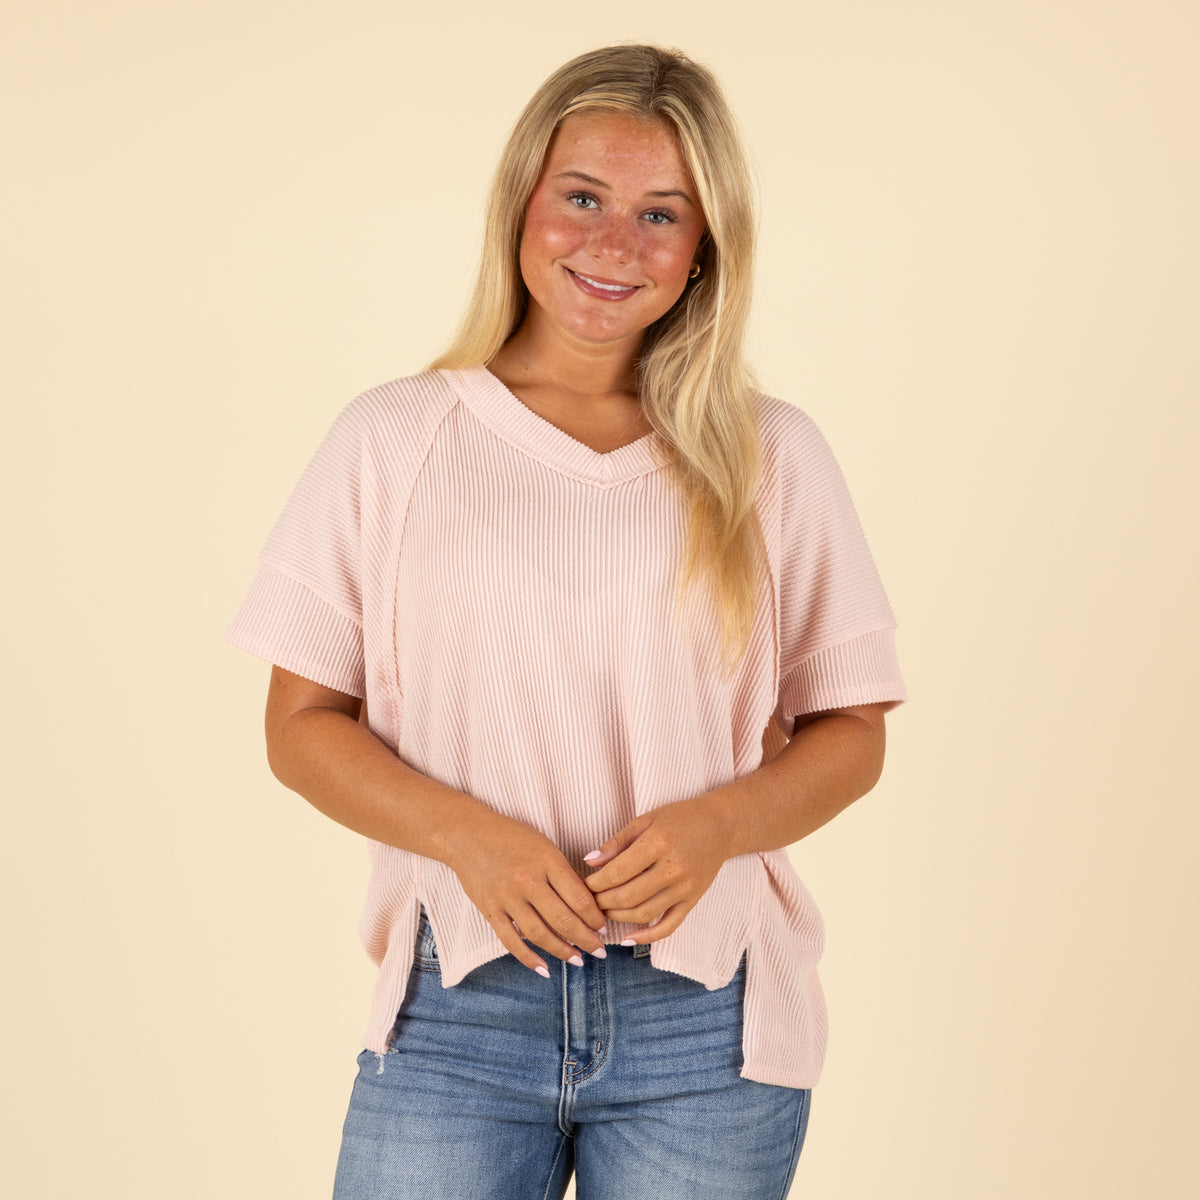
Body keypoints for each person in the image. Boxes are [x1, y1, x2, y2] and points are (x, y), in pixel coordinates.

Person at [228, 43, 906, 1200]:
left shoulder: (771, 457)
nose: (612, 243)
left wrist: (717, 827)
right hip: (459, 1004)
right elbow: (300, 724)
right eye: (581, 197)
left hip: (704, 1019)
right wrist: (465, 836)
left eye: (661, 214)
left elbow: (852, 730)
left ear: (704, 251)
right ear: (522, 206)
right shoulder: (395, 440)